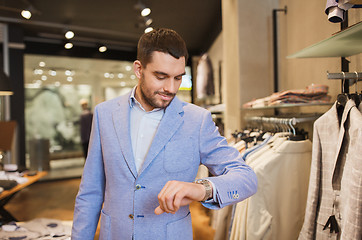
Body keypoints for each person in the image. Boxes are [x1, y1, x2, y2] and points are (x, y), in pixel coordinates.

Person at [71, 28, 257, 240]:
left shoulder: (197, 120)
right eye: (161, 77)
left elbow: (246, 178)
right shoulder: (104, 114)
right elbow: (90, 193)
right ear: (139, 69)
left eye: (178, 78)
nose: (171, 88)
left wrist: (200, 189)